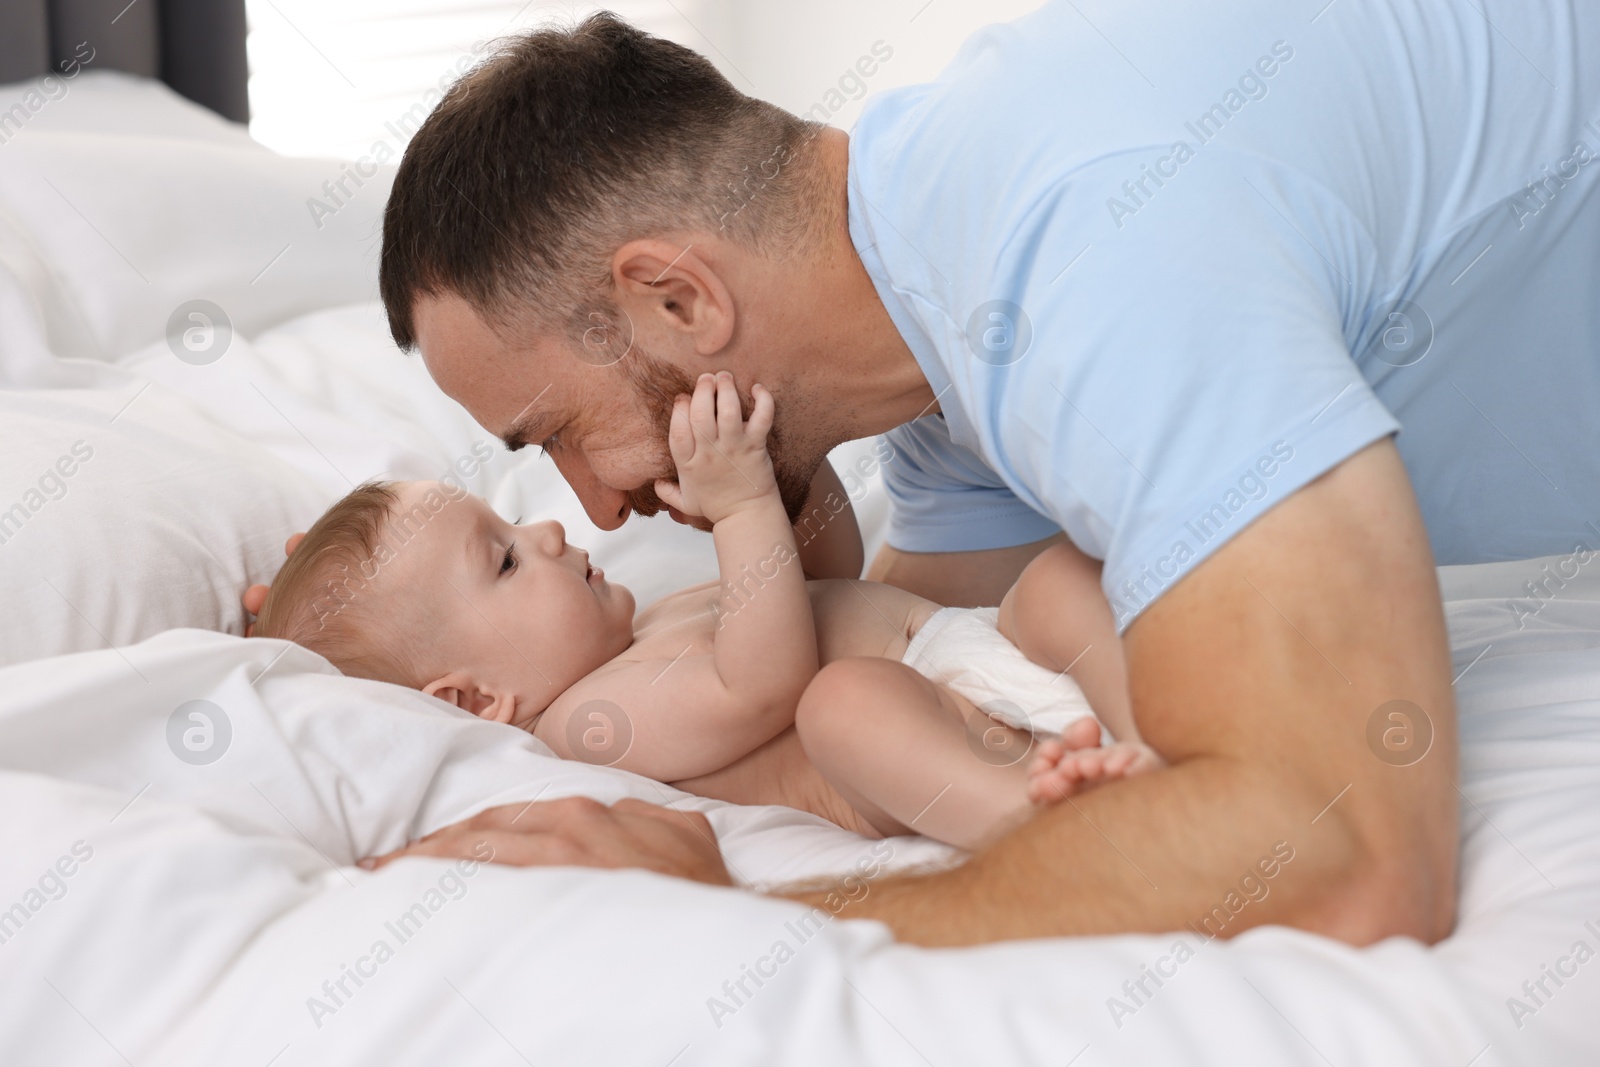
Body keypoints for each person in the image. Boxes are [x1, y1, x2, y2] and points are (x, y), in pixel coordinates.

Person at [353, 2, 1600, 946]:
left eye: (560, 428)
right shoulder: (947, 327)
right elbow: (923, 650)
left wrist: (733, 906)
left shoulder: (1091, 246)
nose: (595, 504)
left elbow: (1348, 860)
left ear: (678, 297)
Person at [249, 373, 1161, 851]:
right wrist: (741, 511)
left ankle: (1150, 741)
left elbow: (824, 575)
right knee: (843, 703)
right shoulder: (586, 723)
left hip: (984, 655)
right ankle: (1059, 825)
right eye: (507, 558)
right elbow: (765, 683)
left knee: (1059, 577)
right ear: (474, 701)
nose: (551, 534)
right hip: (928, 746)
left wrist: (780, 484)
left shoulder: (650, 623)